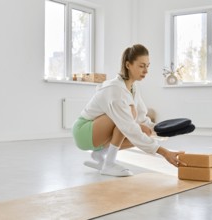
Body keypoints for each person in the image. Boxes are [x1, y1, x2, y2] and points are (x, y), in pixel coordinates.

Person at [72, 44, 185, 177]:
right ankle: (109, 164)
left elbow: (142, 119)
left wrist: (160, 131)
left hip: (98, 135)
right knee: (128, 119)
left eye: (148, 66)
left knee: (144, 131)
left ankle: (100, 154)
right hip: (83, 132)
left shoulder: (133, 88)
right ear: (128, 65)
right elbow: (128, 127)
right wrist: (164, 153)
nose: (146, 71)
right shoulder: (116, 90)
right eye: (141, 66)